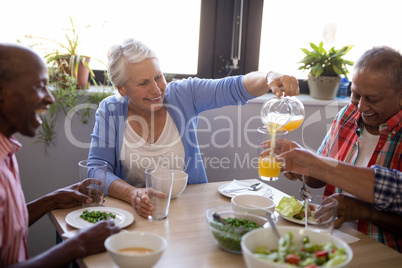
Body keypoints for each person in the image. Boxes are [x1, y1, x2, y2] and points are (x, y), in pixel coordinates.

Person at [88, 38, 300, 219]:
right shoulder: (111, 110)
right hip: (134, 213)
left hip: (189, 211)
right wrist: (132, 194)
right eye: (143, 83)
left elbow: (234, 87)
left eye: (158, 77)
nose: (156, 89)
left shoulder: (183, 94)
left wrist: (269, 77)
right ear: (122, 89)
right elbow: (97, 168)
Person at [0, 44, 121, 267]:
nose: (50, 98)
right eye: (39, 86)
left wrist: (52, 199)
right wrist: (79, 245)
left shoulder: (6, 149)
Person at [284, 46, 402, 251]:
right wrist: (300, 164)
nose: (361, 107)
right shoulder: (347, 116)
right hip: (331, 238)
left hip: (380, 251)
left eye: (373, 99)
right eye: (355, 94)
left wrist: (364, 211)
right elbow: (319, 177)